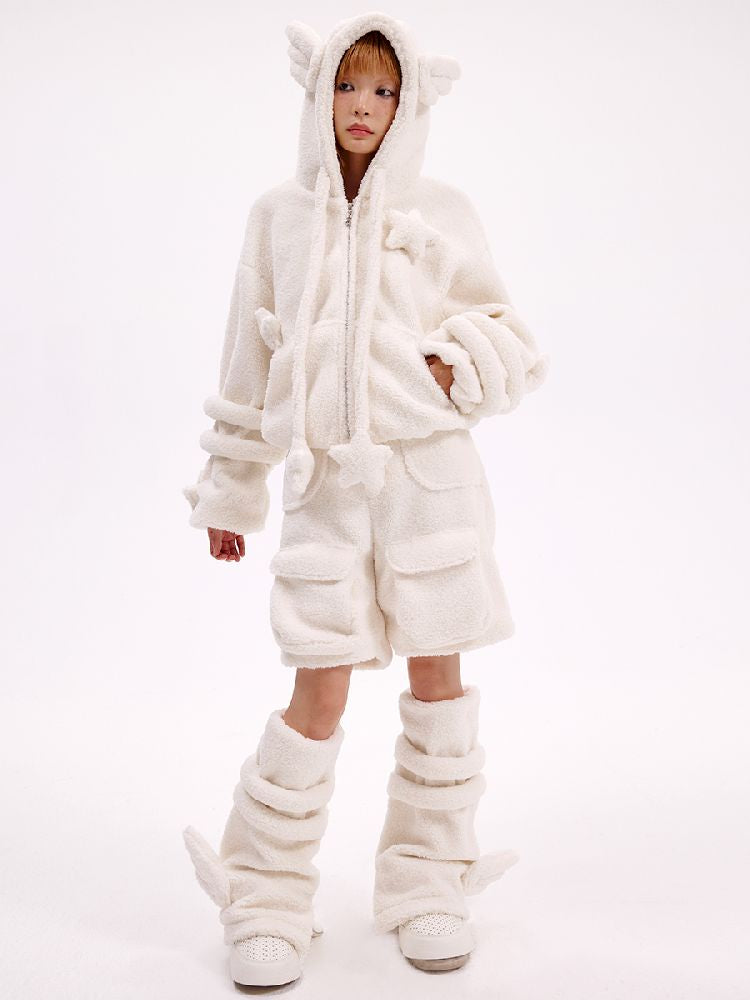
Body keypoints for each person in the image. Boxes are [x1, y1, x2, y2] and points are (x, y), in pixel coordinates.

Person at [181, 10, 549, 989]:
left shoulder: (444, 210)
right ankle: (264, 894)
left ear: (409, 101)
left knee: (439, 678)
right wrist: (232, 490)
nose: (363, 106)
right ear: (319, 92)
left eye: (384, 90)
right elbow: (247, 356)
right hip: (325, 491)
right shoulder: (278, 216)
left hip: (429, 485)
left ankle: (428, 882)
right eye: (348, 85)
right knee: (319, 689)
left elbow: (511, 333)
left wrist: (454, 362)